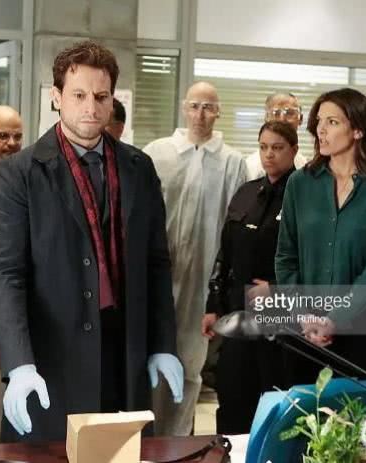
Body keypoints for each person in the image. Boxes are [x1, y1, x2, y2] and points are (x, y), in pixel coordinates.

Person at [0, 40, 183, 442]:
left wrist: (163, 343)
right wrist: (18, 363)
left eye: (101, 96)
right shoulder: (20, 173)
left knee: (119, 453)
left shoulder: (139, 168)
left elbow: (157, 263)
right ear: (57, 98)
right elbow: (6, 273)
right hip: (51, 355)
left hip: (124, 351)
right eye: (78, 96)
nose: (91, 107)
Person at [275, 88, 366, 384]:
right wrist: (303, 315)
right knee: (301, 410)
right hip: (303, 331)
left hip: (361, 332)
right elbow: (285, 256)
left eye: (332, 122)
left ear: (358, 130)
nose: (321, 129)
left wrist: (336, 319)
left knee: (353, 410)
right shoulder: (299, 183)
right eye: (319, 121)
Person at [143, 81, 247, 436]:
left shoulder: (232, 162)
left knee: (190, 363)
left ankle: (176, 441)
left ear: (218, 112)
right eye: (195, 106)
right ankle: (145, 441)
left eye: (208, 107)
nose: (201, 114)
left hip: (203, 276)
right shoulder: (157, 153)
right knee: (149, 357)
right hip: (157, 272)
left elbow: (234, 225)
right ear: (183, 108)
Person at [201, 121, 298, 433]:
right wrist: (213, 305)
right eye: (264, 147)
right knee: (232, 394)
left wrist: (278, 288)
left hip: (279, 318)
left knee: (276, 400)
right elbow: (224, 253)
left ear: (294, 150)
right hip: (238, 312)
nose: (269, 154)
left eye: (277, 148)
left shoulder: (302, 195)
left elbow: (310, 258)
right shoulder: (246, 193)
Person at [245, 92, 307, 179]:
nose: (282, 119)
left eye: (289, 113)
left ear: (301, 119)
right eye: (276, 113)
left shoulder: (304, 165)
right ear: (266, 118)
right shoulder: (251, 168)